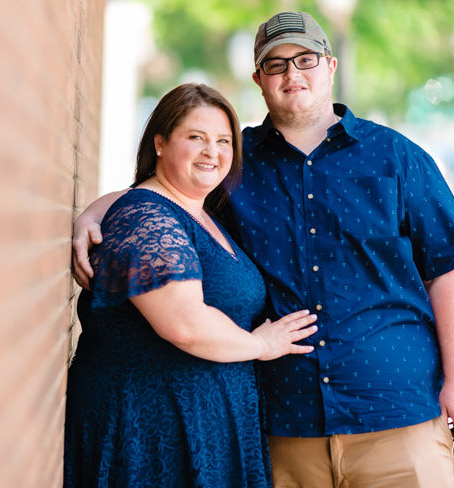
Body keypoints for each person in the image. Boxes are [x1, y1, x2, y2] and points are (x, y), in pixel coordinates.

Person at [72, 12, 454, 488]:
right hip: (285, 425)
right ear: (259, 80)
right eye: (276, 64)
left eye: (305, 59)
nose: (293, 74)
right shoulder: (233, 163)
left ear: (330, 66)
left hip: (397, 416)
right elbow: (168, 195)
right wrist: (95, 212)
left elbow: (446, 272)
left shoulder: (397, 156)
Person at [63, 83, 318, 488]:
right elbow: (184, 324)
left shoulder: (201, 212)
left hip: (202, 432)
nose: (211, 152)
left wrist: (92, 211)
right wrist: (263, 345)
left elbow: (129, 201)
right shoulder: (146, 215)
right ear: (160, 142)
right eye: (195, 137)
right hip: (151, 440)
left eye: (222, 141)